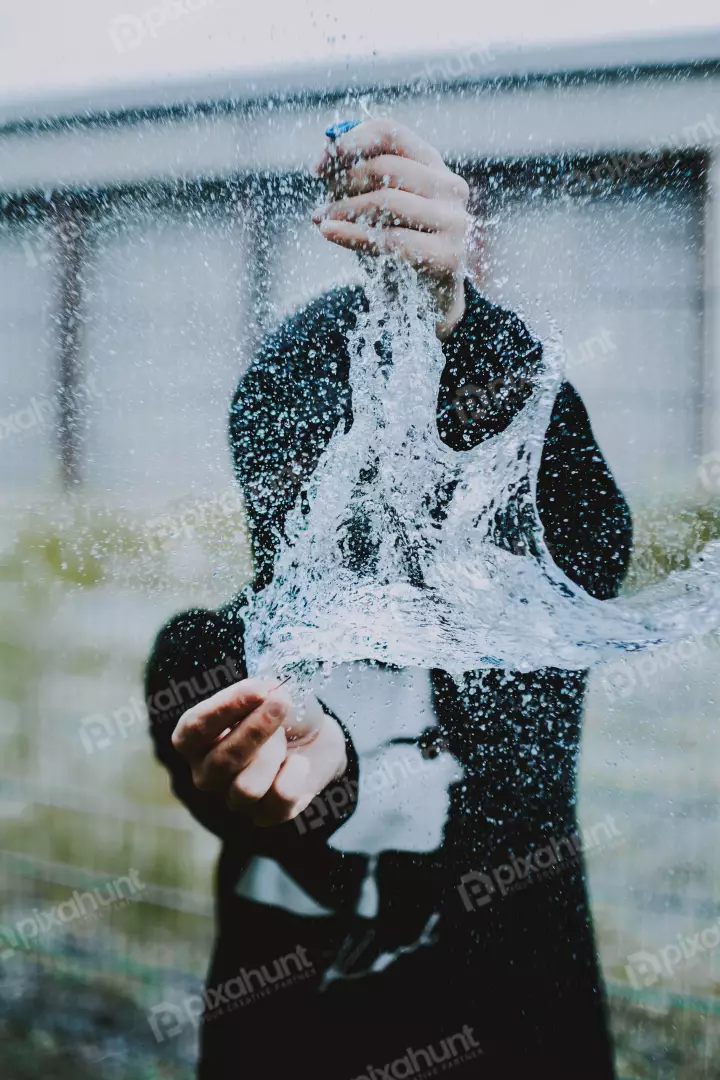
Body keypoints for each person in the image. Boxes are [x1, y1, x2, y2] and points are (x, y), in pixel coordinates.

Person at [146, 119, 633, 1079]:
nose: (381, 494)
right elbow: (232, 778)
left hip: (512, 1025)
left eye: (412, 453)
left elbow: (586, 521)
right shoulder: (215, 654)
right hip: (282, 1038)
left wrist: (455, 321)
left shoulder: (521, 631)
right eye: (337, 470)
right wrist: (314, 790)